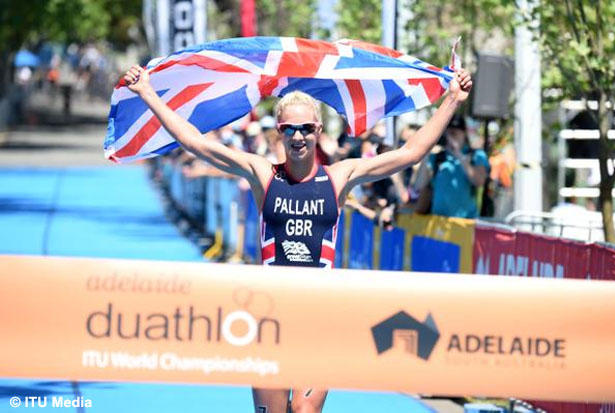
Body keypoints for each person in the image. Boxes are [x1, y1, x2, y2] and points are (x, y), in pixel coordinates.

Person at [123, 64, 472, 413]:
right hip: (269, 316)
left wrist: (452, 99)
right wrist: (148, 93)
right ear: (279, 133)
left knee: (305, 411)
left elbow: (409, 154)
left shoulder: (339, 177)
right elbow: (196, 143)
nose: (298, 136)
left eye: (306, 128)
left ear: (318, 130)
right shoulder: (262, 174)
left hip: (319, 316)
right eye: (289, 129)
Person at [412, 114, 489, 218]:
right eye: (447, 133)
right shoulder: (437, 157)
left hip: (466, 223)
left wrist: (459, 155)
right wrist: (426, 152)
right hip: (439, 221)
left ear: (464, 134)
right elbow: (419, 185)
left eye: (454, 133)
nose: (450, 138)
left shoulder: (476, 155)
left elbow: (479, 181)